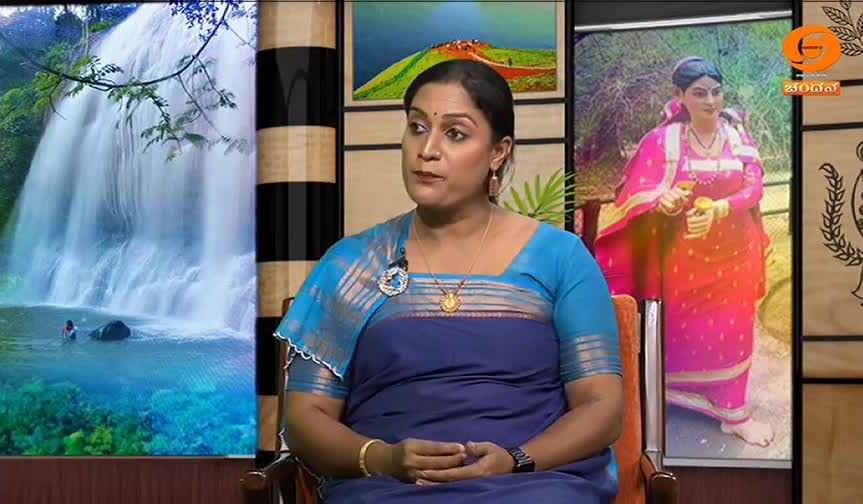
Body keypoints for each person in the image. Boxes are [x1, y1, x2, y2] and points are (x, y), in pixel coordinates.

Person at [275, 59, 624, 503]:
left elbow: (602, 407)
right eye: (417, 128)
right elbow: (305, 416)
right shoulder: (351, 264)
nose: (427, 150)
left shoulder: (561, 257)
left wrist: (516, 458)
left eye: (455, 134)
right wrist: (381, 458)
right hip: (386, 489)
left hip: (532, 483)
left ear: (498, 151)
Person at [594, 56, 774, 447]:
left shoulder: (737, 133)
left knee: (734, 330)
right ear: (679, 96)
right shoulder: (663, 141)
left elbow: (754, 187)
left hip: (734, 256)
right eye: (699, 93)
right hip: (683, 257)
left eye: (716, 91)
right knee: (678, 328)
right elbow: (636, 192)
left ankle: (732, 412)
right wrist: (666, 200)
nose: (711, 101)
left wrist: (721, 207)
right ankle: (668, 397)